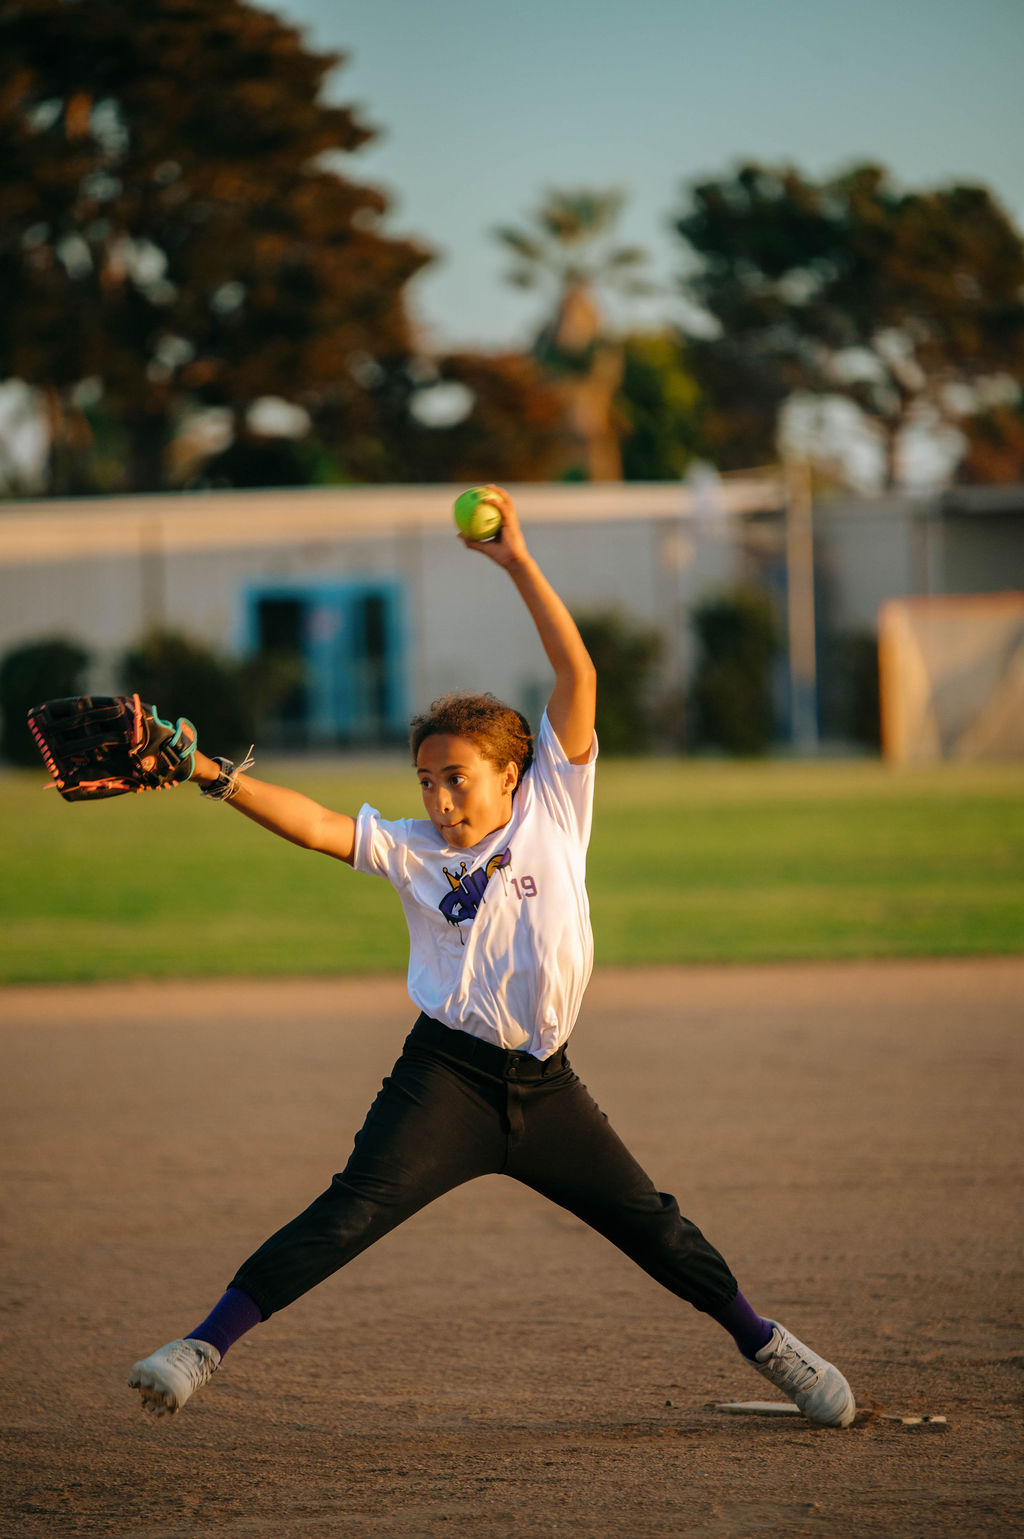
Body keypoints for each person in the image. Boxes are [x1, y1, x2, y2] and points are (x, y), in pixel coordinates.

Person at [128, 486, 855, 1428]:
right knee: (349, 1213)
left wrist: (517, 561)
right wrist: (210, 772)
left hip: (547, 1089)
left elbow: (577, 672)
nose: (436, 796)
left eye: (455, 776)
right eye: (426, 777)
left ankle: (769, 1343)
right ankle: (198, 1348)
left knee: (656, 1226)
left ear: (512, 773)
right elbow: (313, 825)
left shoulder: (556, 804)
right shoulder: (413, 846)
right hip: (444, 1081)